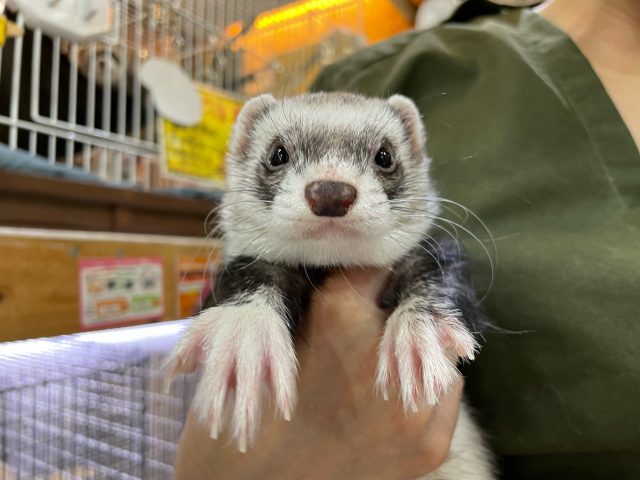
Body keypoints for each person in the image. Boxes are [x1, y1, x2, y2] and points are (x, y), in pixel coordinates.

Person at [175, 0, 640, 478]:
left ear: (415, 158)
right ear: (242, 155)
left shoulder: (431, 260)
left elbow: (437, 269)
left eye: (381, 160)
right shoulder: (393, 68)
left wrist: (425, 304)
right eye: (279, 158)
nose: (332, 188)